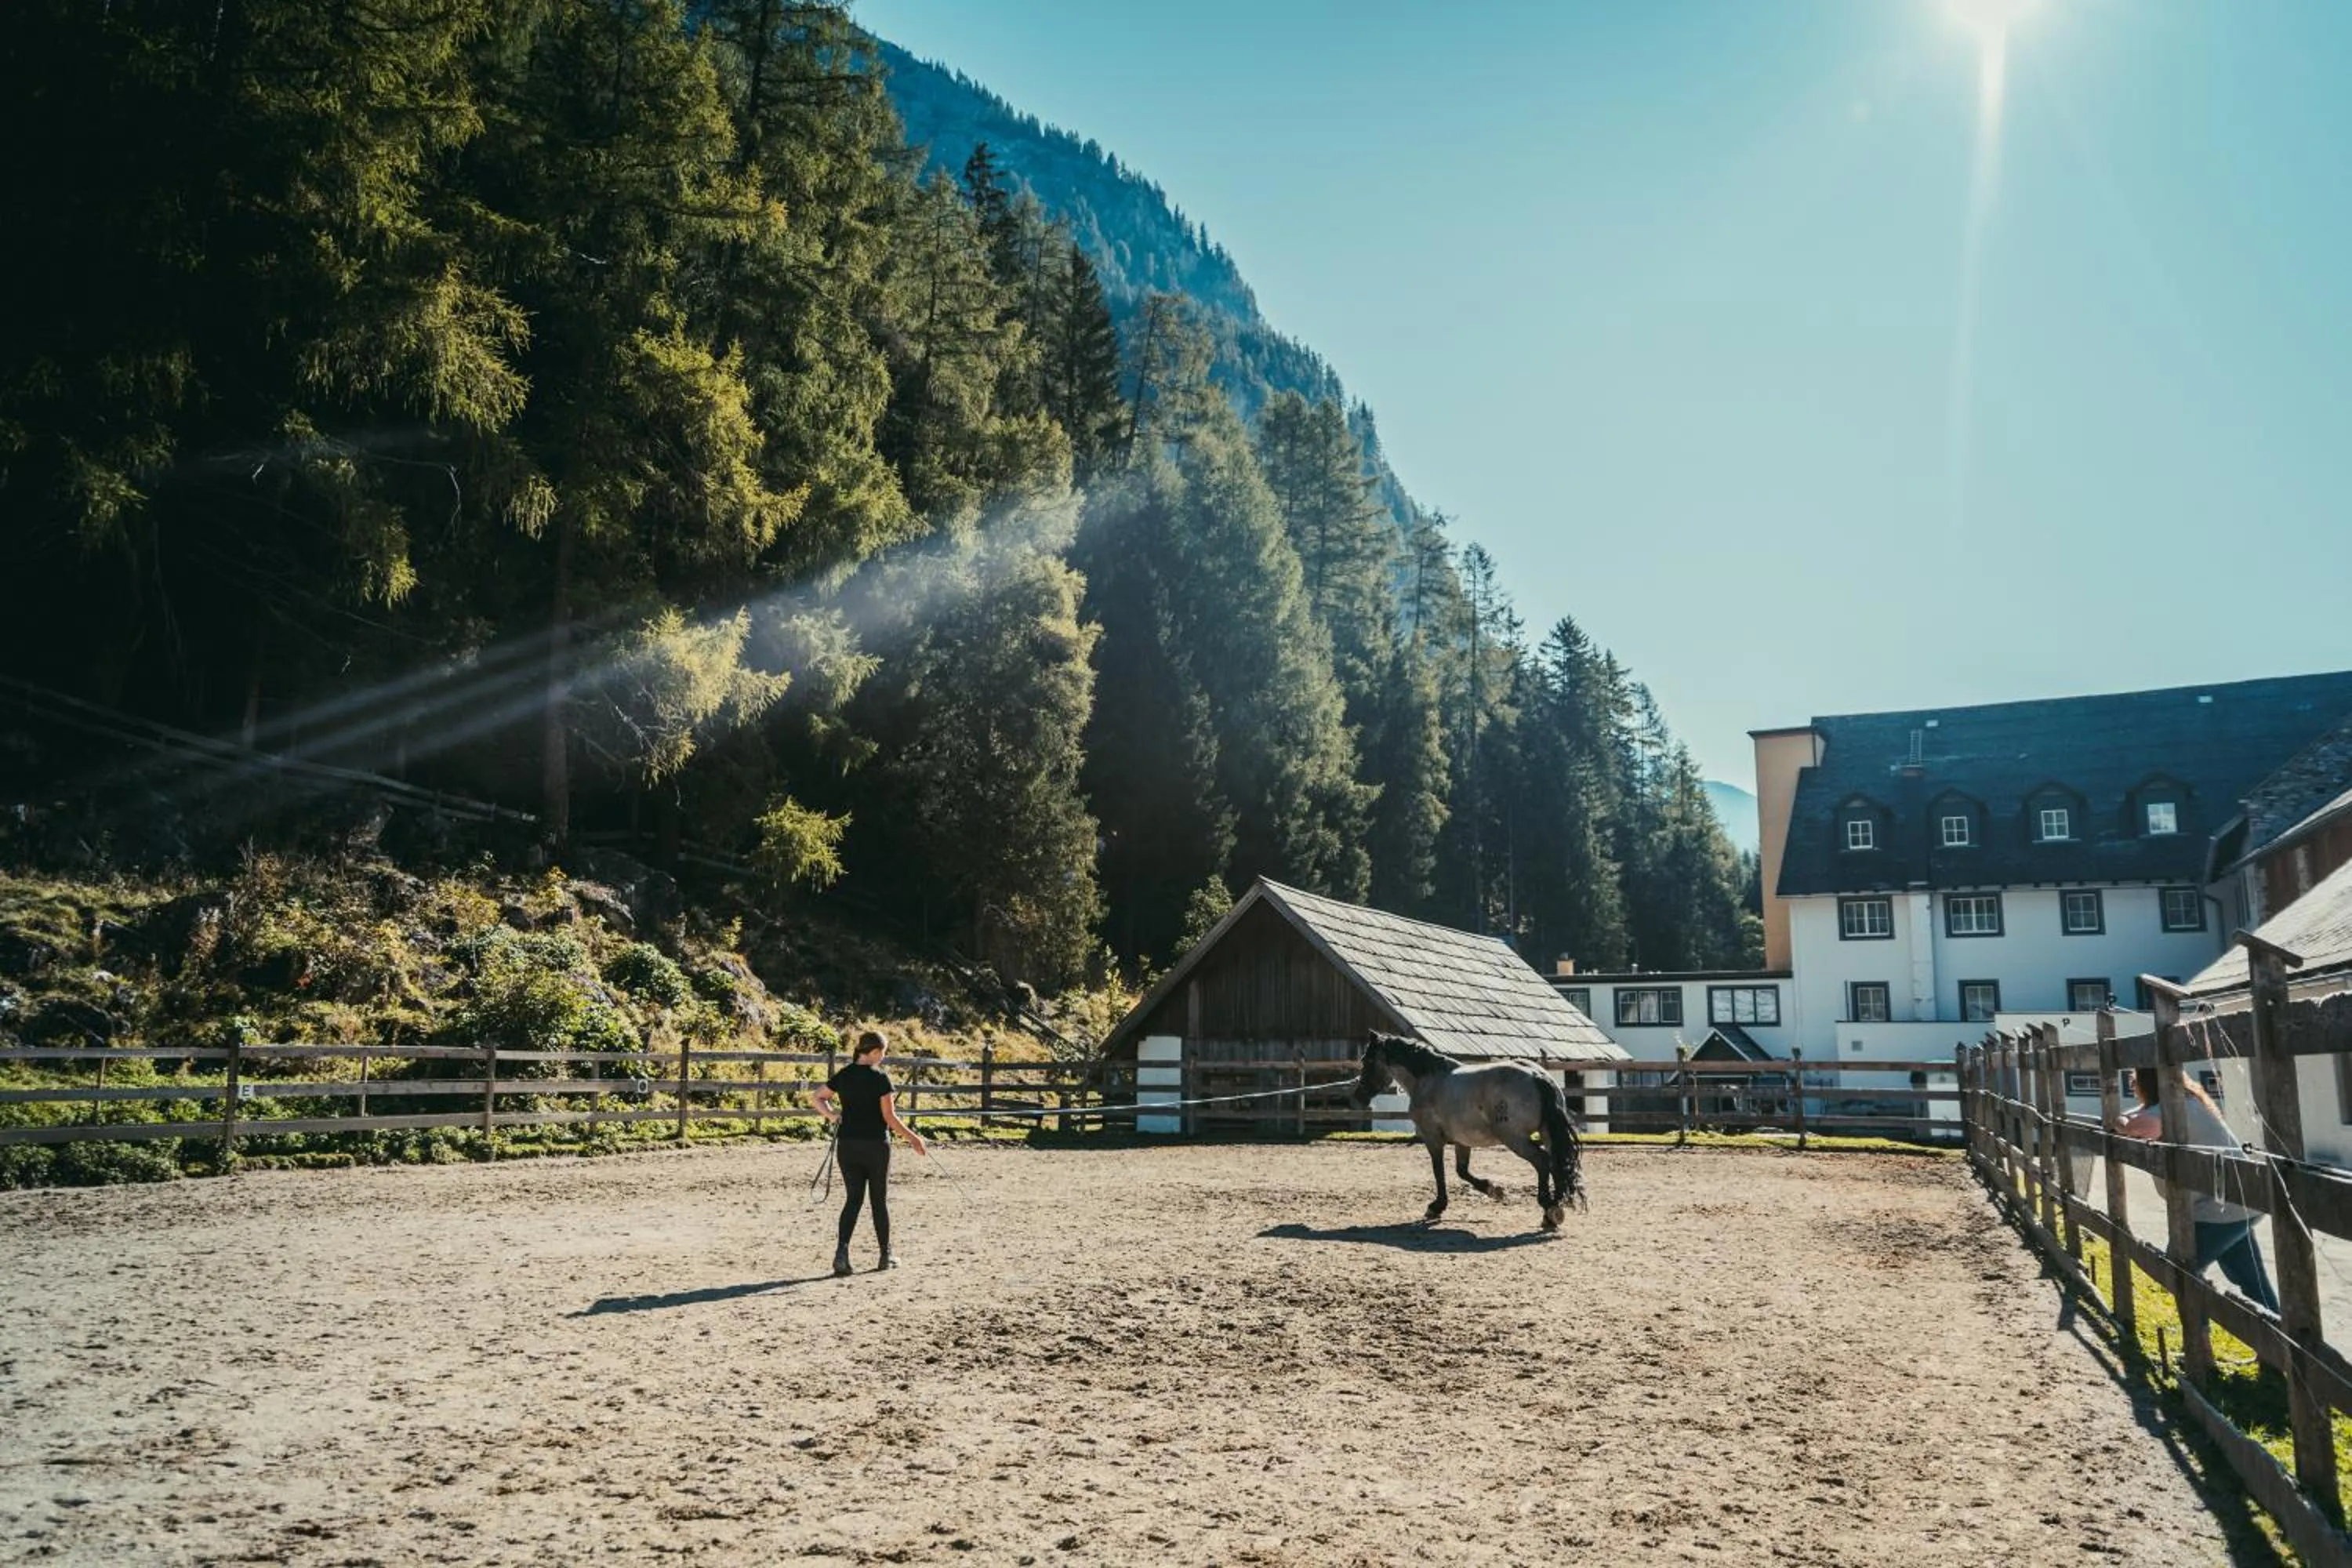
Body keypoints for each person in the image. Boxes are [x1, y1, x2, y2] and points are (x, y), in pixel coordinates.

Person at [2114, 1065, 2280, 1312]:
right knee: (2252, 1283)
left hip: (2218, 1210)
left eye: (2135, 1082)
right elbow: (2128, 1118)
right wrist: (2124, 1120)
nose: (2133, 1088)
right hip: (2238, 1203)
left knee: (2178, 1271)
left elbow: (2140, 1127)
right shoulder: (2185, 1102)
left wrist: (2123, 1124)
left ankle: (2199, 1334)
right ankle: (2276, 1336)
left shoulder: (2176, 1108)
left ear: (2147, 1084)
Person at [811, 1029, 927, 1277]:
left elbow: (818, 1097)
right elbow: (889, 1118)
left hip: (848, 1145)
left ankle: (842, 1254)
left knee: (853, 1200)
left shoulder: (844, 1074)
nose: (883, 1058)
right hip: (875, 1146)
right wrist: (913, 1138)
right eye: (882, 1053)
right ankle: (885, 1255)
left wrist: (833, 1117)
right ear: (874, 1052)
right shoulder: (880, 1078)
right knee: (878, 1200)